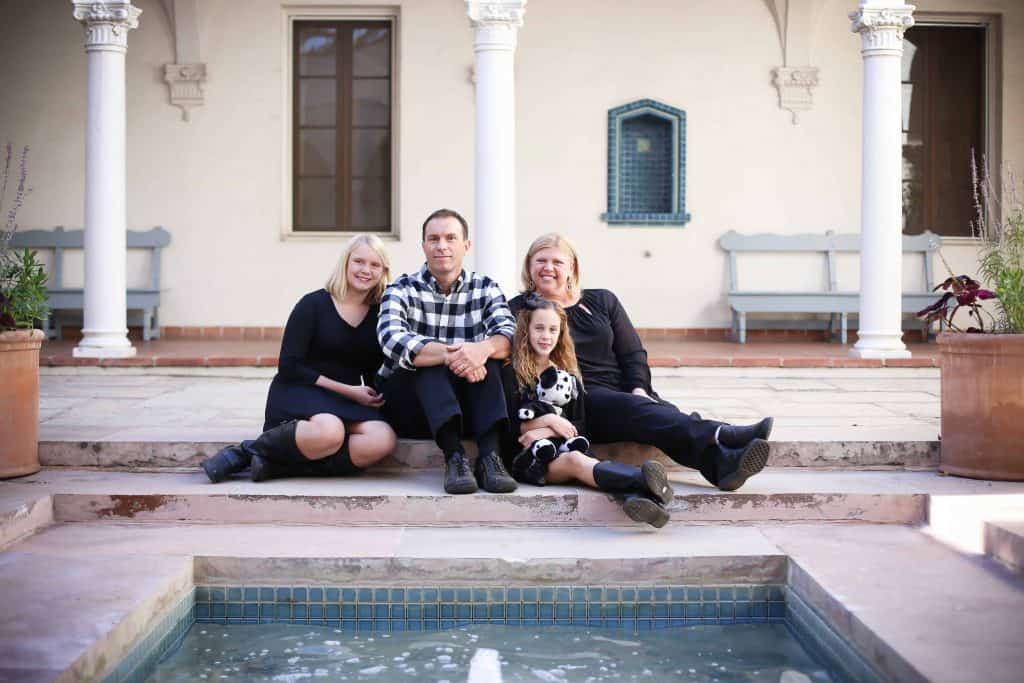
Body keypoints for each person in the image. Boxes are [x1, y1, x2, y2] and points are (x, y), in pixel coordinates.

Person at [508, 233, 774, 491]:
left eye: (557, 262)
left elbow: (632, 353)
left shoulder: (602, 300)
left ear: (572, 267)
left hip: (623, 388)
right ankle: (722, 433)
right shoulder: (518, 309)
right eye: (541, 261)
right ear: (529, 266)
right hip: (580, 399)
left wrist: (639, 387)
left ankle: (721, 466)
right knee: (644, 412)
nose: (548, 268)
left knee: (662, 412)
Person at [200, 235, 397, 482]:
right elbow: (289, 366)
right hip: (300, 389)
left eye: (375, 265)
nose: (366, 270)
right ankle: (247, 450)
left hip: (343, 399)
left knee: (382, 439)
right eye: (359, 261)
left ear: (383, 271)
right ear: (345, 263)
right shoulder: (313, 304)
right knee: (330, 431)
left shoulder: (380, 314)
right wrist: (349, 391)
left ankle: (278, 467)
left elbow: (372, 369)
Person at [377, 208, 518, 495]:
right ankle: (454, 457)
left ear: (466, 246)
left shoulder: (485, 288)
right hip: (413, 408)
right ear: (424, 245)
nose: (442, 245)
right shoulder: (400, 289)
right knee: (428, 363)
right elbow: (391, 338)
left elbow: (510, 336)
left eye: (451, 238)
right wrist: (456, 354)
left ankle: (491, 457)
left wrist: (482, 349)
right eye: (434, 239)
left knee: (489, 360)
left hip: (471, 405)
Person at [506, 295, 675, 528]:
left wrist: (548, 429)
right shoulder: (510, 370)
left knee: (579, 457)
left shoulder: (568, 375)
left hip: (562, 447)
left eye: (553, 329)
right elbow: (508, 423)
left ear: (561, 334)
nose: (546, 336)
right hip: (526, 458)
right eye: (539, 328)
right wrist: (551, 420)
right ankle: (647, 483)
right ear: (526, 330)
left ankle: (643, 497)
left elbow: (577, 426)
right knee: (576, 460)